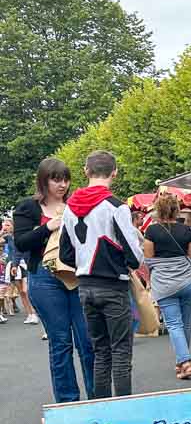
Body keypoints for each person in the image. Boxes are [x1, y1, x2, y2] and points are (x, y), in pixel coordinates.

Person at [59, 151, 143, 398]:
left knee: (100, 351)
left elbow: (65, 253)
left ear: (86, 171)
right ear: (114, 172)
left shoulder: (69, 208)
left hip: (85, 286)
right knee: (120, 351)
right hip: (113, 286)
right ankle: (123, 410)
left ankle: (101, 408)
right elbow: (135, 256)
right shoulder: (116, 207)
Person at [13, 159, 94, 399]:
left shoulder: (75, 205)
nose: (62, 185)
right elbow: (21, 242)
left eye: (66, 179)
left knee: (88, 342)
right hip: (45, 278)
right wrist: (50, 226)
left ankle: (97, 398)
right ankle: (68, 403)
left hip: (77, 275)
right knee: (61, 344)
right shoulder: (28, 207)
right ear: (44, 180)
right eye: (56, 179)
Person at [143, 193, 191, 380]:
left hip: (164, 284)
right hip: (187, 282)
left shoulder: (151, 231)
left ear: (158, 210)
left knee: (173, 324)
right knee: (184, 325)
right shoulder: (186, 230)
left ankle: (185, 361)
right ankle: (182, 362)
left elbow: (148, 260)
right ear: (176, 210)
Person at [1, 218, 37, 323]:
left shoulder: (20, 235)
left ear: (13, 225)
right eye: (4, 225)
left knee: (27, 291)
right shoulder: (8, 238)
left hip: (26, 264)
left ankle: (35, 313)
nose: (5, 227)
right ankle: (30, 314)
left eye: (7, 225)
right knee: (21, 292)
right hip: (15, 265)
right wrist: (1, 232)